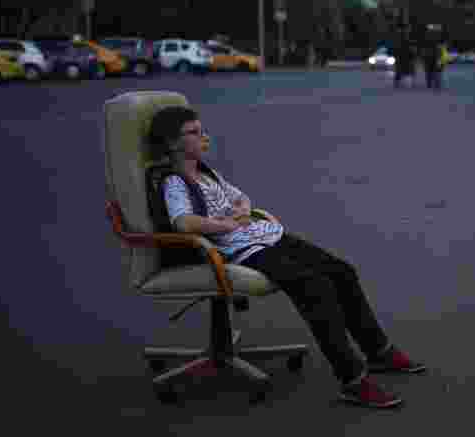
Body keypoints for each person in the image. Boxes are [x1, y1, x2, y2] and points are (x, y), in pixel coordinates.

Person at [146, 106, 426, 409]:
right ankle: (352, 380)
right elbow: (183, 222)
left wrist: (241, 208)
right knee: (315, 287)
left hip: (264, 235)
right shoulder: (175, 183)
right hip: (240, 250)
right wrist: (224, 224)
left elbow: (241, 197)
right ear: (173, 143)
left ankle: (378, 352)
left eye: (203, 130)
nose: (205, 137)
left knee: (341, 271)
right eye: (194, 133)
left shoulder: (207, 174)